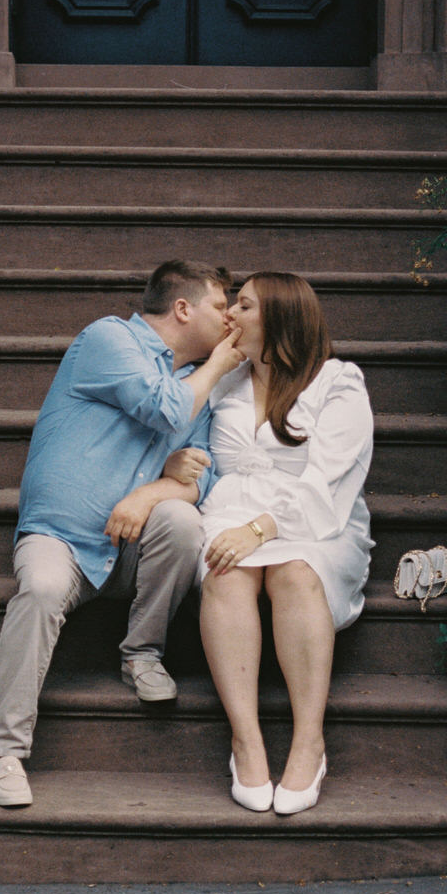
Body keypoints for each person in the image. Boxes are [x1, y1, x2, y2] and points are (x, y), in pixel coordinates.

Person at [0, 261, 245, 808]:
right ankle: (4, 752)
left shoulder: (193, 386)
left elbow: (207, 476)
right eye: (222, 306)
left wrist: (151, 493)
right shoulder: (109, 338)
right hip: (62, 538)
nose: (230, 320)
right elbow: (162, 407)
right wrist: (220, 364)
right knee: (44, 590)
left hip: (131, 549)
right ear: (182, 308)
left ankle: (141, 653)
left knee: (180, 518)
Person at [176, 272, 373, 816]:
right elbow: (177, 436)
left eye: (243, 305)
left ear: (281, 316)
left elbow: (329, 482)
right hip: (230, 510)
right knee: (225, 571)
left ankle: (309, 740)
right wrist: (173, 468)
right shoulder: (222, 379)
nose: (229, 315)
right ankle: (247, 740)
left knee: (295, 572)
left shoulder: (337, 382)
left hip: (316, 520)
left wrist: (260, 529)